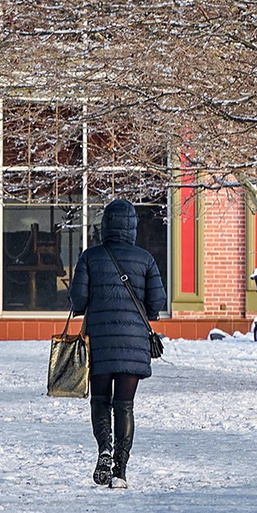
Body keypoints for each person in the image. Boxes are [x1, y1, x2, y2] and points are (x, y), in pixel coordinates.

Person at [69, 198, 167, 488]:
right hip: (134, 344)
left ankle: (104, 449)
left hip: (99, 341)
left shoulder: (90, 257)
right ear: (133, 227)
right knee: (125, 405)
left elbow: (78, 300)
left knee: (100, 399)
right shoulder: (146, 259)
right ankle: (120, 471)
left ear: (105, 225)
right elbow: (156, 303)